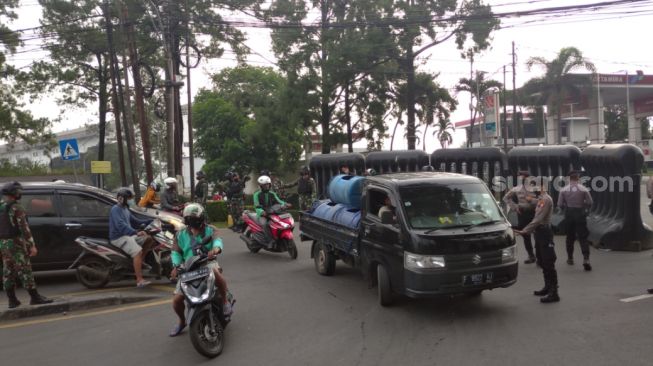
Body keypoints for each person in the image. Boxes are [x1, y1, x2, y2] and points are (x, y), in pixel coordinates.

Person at [168, 203, 232, 336]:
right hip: (188, 268)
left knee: (216, 274)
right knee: (176, 301)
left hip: (207, 263)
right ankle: (182, 321)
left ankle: (225, 301)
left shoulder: (211, 229)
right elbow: (175, 252)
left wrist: (216, 249)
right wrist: (176, 265)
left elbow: (217, 241)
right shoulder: (180, 235)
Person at [0, 181, 53, 309]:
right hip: (16, 243)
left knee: (8, 271)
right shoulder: (17, 208)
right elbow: (24, 229)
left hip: (3, 244)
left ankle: (12, 300)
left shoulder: (1, 206)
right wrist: (32, 245)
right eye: (18, 191)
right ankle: (35, 298)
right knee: (25, 270)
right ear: (13, 193)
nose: (20, 193)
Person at [514, 182, 560, 303]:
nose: (532, 190)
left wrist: (525, 230)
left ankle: (554, 292)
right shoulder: (540, 199)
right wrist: (528, 201)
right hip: (539, 233)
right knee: (542, 261)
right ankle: (547, 287)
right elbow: (534, 203)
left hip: (545, 233)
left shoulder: (546, 200)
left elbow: (538, 219)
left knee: (549, 262)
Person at [109, 188, 154, 287]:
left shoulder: (125, 209)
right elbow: (120, 225)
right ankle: (139, 280)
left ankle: (139, 262)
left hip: (128, 235)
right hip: (119, 237)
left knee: (149, 238)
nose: (131, 200)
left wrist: (151, 220)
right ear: (121, 199)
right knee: (137, 252)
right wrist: (135, 232)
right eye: (129, 198)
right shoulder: (115, 209)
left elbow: (136, 221)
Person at [558, 170, 594, 271]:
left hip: (569, 214)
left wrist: (566, 208)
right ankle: (586, 259)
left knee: (570, 237)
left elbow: (560, 204)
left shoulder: (564, 190)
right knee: (583, 237)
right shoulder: (583, 189)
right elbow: (590, 202)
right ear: (578, 178)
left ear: (569, 178)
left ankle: (570, 258)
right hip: (580, 213)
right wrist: (584, 207)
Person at [503, 171, 538, 264]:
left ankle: (540, 256)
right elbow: (506, 198)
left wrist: (533, 201)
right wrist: (515, 207)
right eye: (520, 177)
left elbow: (543, 200)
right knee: (526, 235)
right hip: (522, 213)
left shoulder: (535, 188)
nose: (522, 179)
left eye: (524, 177)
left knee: (538, 234)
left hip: (535, 213)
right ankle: (531, 255)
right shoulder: (516, 189)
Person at [253, 175, 287, 248]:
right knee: (265, 224)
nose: (267, 186)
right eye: (265, 185)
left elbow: (279, 201)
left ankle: (278, 237)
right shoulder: (256, 194)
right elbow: (256, 206)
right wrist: (261, 212)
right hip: (263, 215)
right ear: (261, 186)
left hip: (271, 213)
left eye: (268, 184)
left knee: (279, 222)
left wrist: (285, 204)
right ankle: (270, 241)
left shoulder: (272, 193)